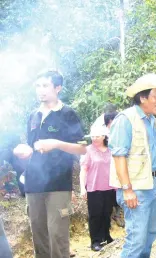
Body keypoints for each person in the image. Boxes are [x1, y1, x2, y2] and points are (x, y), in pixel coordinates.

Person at [13, 70, 86, 258]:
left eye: (45, 86)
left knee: (57, 235)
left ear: (58, 88)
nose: (40, 90)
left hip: (58, 185)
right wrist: (24, 150)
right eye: (38, 86)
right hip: (33, 183)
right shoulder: (33, 116)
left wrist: (56, 144)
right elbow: (32, 146)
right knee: (38, 234)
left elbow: (82, 149)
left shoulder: (68, 114)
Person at [108, 73, 156, 258]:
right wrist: (127, 190)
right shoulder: (125, 119)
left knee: (149, 237)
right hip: (136, 189)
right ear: (142, 97)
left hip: (154, 184)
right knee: (136, 241)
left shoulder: (151, 119)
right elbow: (119, 157)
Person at [80, 126, 115, 251]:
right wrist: (82, 188)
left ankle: (106, 236)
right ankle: (95, 241)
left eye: (97, 136)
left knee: (107, 213)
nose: (94, 138)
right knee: (95, 215)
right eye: (93, 136)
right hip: (94, 188)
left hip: (110, 187)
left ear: (104, 136)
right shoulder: (88, 150)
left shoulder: (111, 150)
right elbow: (83, 170)